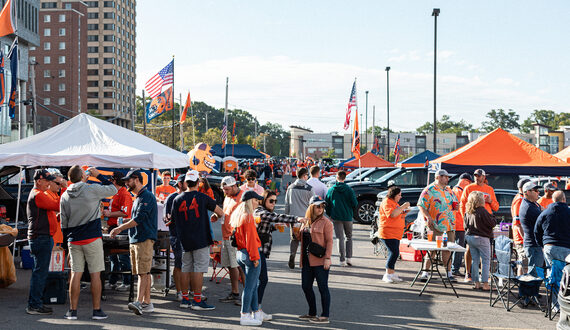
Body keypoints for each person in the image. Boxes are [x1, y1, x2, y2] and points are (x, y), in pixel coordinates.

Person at [60, 166, 118, 320]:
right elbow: (113, 189)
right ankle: (96, 310)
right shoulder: (91, 189)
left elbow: (63, 222)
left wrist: (66, 241)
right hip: (92, 237)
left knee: (75, 274)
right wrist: (98, 175)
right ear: (83, 177)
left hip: (73, 238)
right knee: (95, 274)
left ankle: (72, 311)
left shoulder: (65, 195)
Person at [171, 170, 224, 310]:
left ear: (185, 183)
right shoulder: (202, 197)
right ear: (198, 182)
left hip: (184, 239)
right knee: (198, 269)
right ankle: (197, 300)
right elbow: (220, 212)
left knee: (185, 268)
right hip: (200, 237)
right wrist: (215, 216)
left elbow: (172, 220)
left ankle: (185, 299)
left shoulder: (177, 199)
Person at [110, 169, 158, 315]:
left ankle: (139, 302)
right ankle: (147, 303)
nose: (126, 183)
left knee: (143, 272)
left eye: (128, 180)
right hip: (138, 238)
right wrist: (124, 222)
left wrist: (120, 227)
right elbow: (137, 218)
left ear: (136, 179)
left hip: (143, 238)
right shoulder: (139, 197)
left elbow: (139, 219)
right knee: (143, 272)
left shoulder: (146, 197)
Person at [253, 190, 304, 320]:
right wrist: (296, 219)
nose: (274, 203)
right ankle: (255, 310)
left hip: (260, 252)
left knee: (258, 281)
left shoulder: (264, 213)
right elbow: (275, 216)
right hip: (257, 252)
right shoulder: (260, 211)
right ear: (264, 200)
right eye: (271, 201)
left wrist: (275, 227)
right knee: (260, 281)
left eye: (275, 201)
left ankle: (255, 309)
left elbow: (265, 227)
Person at [26, 169, 59, 315]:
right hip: (41, 237)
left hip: (41, 237)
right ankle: (34, 304)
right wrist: (64, 188)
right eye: (47, 181)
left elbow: (51, 211)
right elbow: (57, 205)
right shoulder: (38, 194)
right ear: (39, 181)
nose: (49, 183)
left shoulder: (38, 194)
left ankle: (35, 303)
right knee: (40, 273)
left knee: (39, 272)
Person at [230, 191, 264, 326]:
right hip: (250, 254)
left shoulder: (239, 215)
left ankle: (255, 312)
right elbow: (251, 241)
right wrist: (255, 257)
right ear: (250, 201)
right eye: (256, 200)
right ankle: (245, 315)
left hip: (241, 253)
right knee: (250, 286)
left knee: (253, 285)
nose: (258, 202)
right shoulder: (248, 217)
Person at [418, 169, 458, 281]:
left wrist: (456, 207)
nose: (448, 179)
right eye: (446, 177)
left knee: (447, 249)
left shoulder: (449, 190)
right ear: (439, 177)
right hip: (435, 225)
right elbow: (421, 205)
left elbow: (455, 203)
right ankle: (425, 273)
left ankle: (449, 273)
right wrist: (428, 216)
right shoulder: (429, 190)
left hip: (449, 225)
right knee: (432, 249)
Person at [299, 196, 333, 324]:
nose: (321, 209)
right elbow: (300, 239)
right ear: (311, 207)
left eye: (322, 206)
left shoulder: (326, 222)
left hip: (320, 260)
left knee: (322, 288)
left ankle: (325, 316)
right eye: (318, 206)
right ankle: (312, 312)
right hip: (306, 260)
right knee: (306, 286)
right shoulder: (306, 221)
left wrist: (328, 258)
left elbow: (330, 242)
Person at [103, 171, 133, 292]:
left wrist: (110, 214)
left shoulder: (124, 194)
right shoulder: (117, 193)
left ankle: (127, 282)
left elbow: (125, 212)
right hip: (114, 227)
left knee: (123, 256)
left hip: (121, 228)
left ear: (115, 180)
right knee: (113, 257)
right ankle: (113, 281)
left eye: (112, 180)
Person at [219, 176, 245, 305]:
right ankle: (235, 292)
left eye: (227, 189)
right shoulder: (227, 197)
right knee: (231, 265)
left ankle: (247, 294)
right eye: (224, 190)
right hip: (226, 236)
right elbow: (225, 213)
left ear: (235, 186)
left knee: (239, 266)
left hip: (235, 237)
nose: (225, 192)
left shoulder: (242, 197)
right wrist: (217, 215)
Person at [325, 170, 357, 267]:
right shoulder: (349, 190)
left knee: (340, 238)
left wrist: (330, 214)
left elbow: (327, 203)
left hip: (336, 216)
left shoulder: (332, 190)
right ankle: (349, 258)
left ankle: (342, 260)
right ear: (345, 178)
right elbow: (355, 203)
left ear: (336, 177)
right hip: (347, 216)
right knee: (349, 237)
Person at [464, 191, 495, 291]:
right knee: (485, 261)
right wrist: (492, 216)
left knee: (475, 260)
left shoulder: (468, 211)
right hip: (482, 237)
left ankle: (476, 283)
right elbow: (492, 223)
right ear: (480, 200)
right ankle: (485, 284)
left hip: (470, 237)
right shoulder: (482, 210)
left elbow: (465, 226)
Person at [378, 186, 410, 283]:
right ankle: (387, 274)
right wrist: (403, 206)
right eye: (399, 195)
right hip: (388, 232)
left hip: (395, 233)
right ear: (394, 195)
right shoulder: (387, 202)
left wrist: (404, 212)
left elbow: (397, 214)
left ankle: (391, 273)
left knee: (394, 253)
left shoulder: (393, 202)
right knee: (394, 253)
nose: (400, 197)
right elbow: (392, 214)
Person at [285, 167, 314, 269]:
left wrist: (287, 217)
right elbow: (313, 205)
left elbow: (287, 204)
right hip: (306, 219)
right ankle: (304, 261)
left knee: (294, 239)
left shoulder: (290, 188)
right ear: (304, 175)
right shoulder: (310, 188)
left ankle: (292, 254)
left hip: (294, 218)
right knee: (306, 240)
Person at [535, 191, 570, 266]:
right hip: (565, 246)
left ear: (553, 200)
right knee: (564, 273)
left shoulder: (545, 213)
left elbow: (537, 231)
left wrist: (542, 244)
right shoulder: (568, 212)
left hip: (549, 246)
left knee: (551, 272)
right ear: (564, 199)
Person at [519, 181, 544, 277]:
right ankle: (531, 292)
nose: (538, 192)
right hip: (533, 245)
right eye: (536, 190)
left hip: (533, 244)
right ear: (527, 192)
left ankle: (532, 291)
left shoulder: (533, 204)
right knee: (534, 274)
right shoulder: (529, 207)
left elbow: (544, 210)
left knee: (535, 272)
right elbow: (545, 220)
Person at [451, 173, 472, 277]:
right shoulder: (460, 192)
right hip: (460, 224)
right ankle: (455, 268)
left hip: (454, 224)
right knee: (459, 247)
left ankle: (453, 268)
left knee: (455, 247)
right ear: (466, 181)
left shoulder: (453, 190)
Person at [512, 178, 530, 276]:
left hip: (520, 236)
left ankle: (521, 284)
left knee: (522, 263)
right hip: (521, 237)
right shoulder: (519, 200)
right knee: (524, 264)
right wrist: (525, 238)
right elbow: (518, 223)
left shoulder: (519, 198)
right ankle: (523, 285)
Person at [45, 173, 66, 248]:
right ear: (50, 182)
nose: (60, 186)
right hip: (51, 238)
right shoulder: (46, 194)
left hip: (57, 237)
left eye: (61, 184)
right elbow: (60, 206)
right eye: (58, 183)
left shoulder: (56, 195)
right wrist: (64, 189)